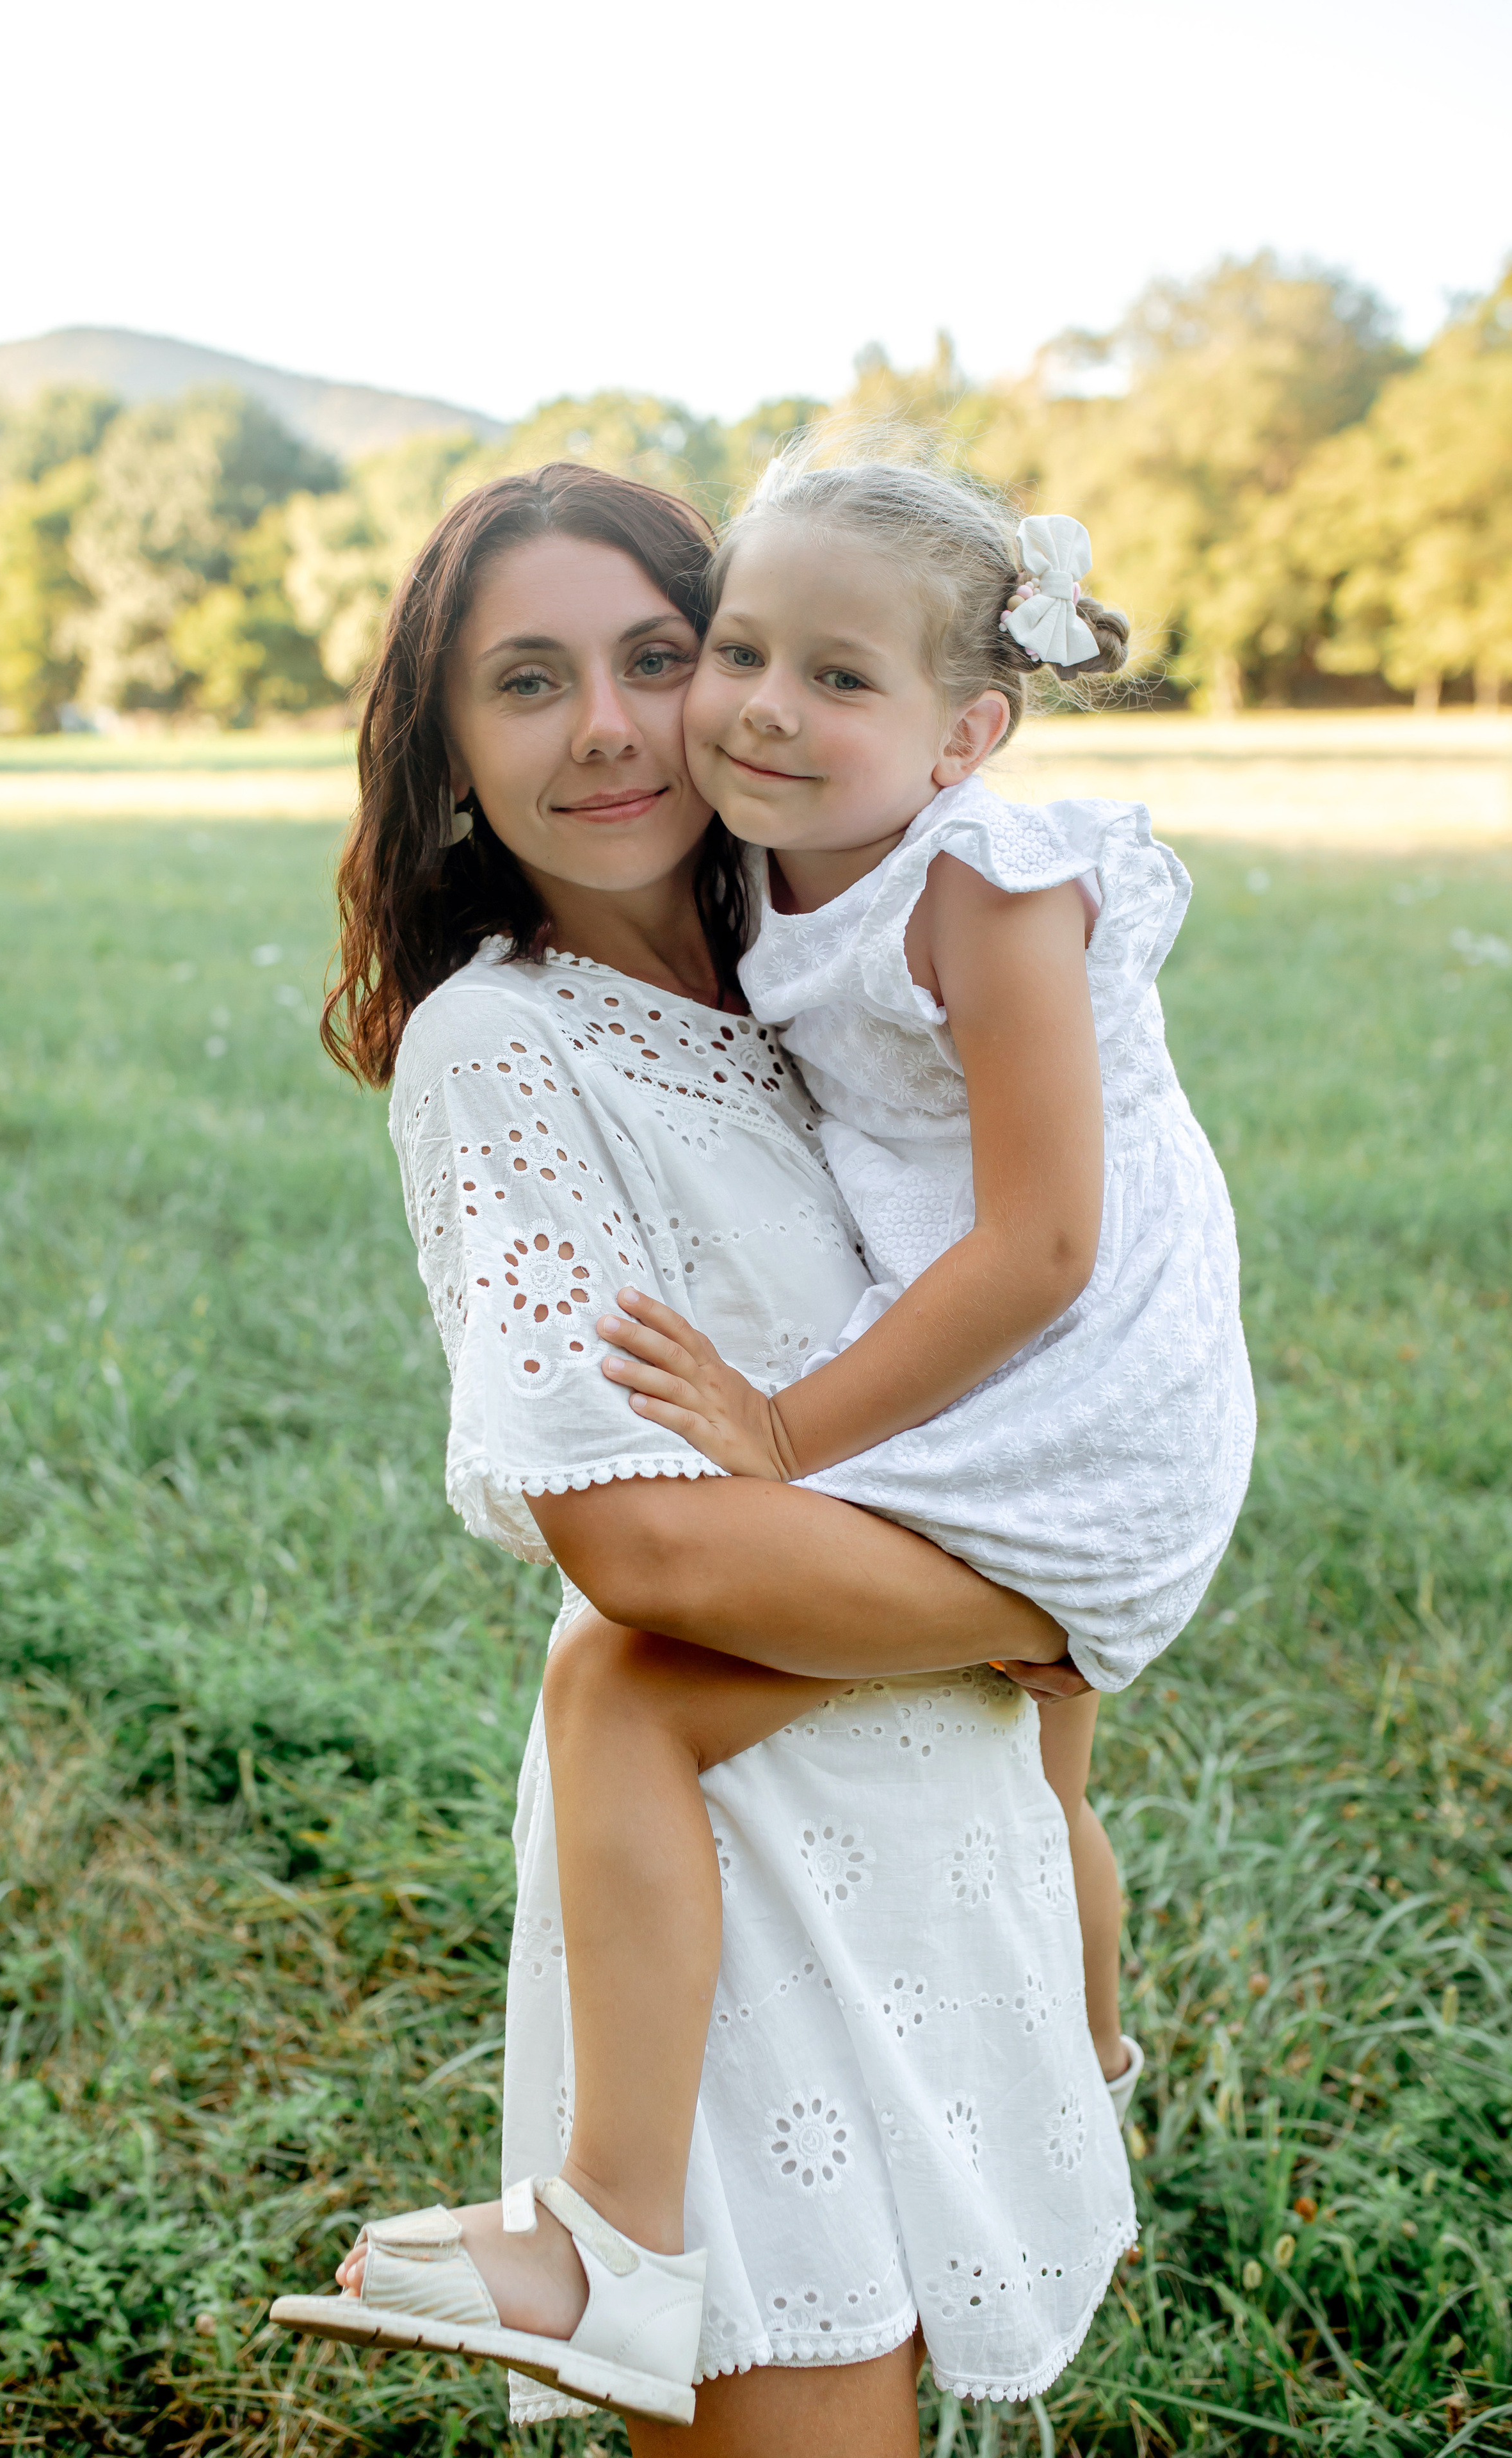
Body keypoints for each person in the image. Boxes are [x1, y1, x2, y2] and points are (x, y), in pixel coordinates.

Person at [269, 462, 1136, 2454]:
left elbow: (1054, 1273)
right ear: (446, 757)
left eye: (657, 656)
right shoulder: (511, 1043)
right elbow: (640, 1557)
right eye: (523, 681)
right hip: (734, 1873)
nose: (606, 727)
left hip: (938, 1811)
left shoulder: (833, 972)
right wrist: (1035, 1597)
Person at [596, 457, 1255, 2129]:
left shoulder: (989, 886)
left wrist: (784, 1432)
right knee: (1032, 1794)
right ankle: (1082, 2113)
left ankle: (1048, 2108)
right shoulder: (771, 846)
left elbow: (1047, 1245)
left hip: (1090, 1386)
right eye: (737, 652)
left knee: (662, 1685)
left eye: (840, 678)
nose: (760, 708)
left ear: (966, 737)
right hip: (987, 1348)